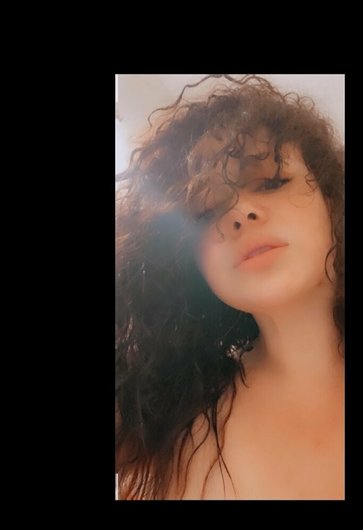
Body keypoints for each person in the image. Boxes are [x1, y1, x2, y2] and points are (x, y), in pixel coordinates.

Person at [115, 74, 344, 500]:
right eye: (205, 211)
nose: (240, 212)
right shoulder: (166, 440)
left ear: (333, 202)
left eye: (271, 181)